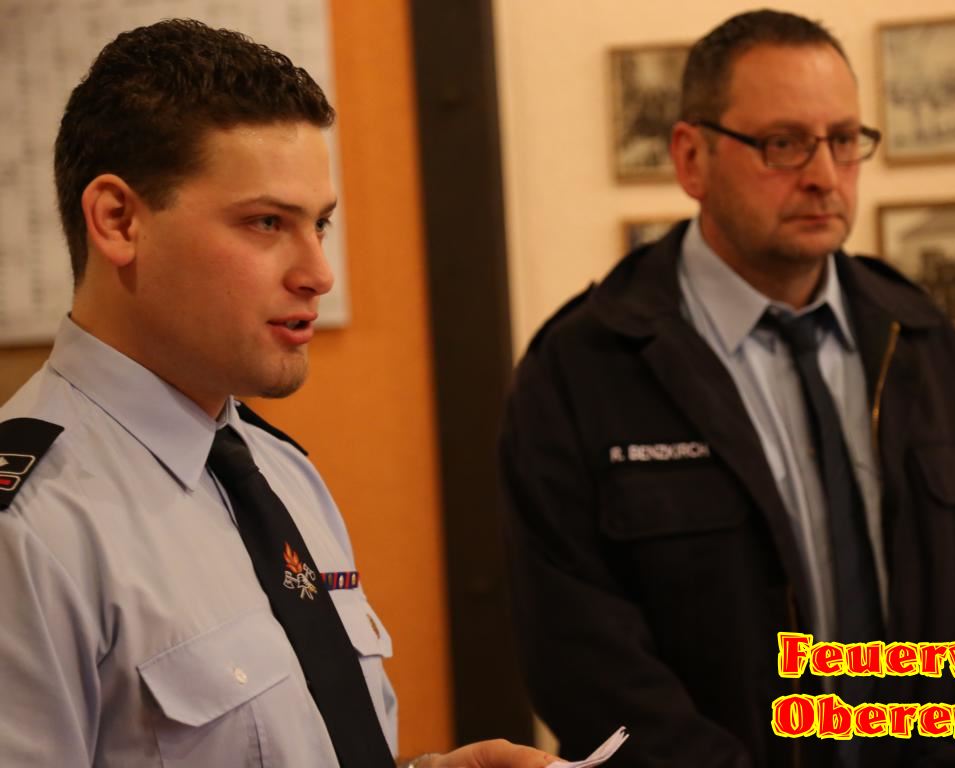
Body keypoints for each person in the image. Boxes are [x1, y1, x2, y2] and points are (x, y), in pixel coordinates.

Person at [500, 9, 955, 768]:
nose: (824, 175)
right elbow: (581, 659)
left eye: (844, 140)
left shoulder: (922, 344)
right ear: (691, 158)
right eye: (784, 144)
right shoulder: (584, 367)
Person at [0, 19, 555, 768]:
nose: (318, 273)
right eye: (266, 222)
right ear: (119, 220)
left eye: (319, 224)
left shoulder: (275, 469)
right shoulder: (31, 528)